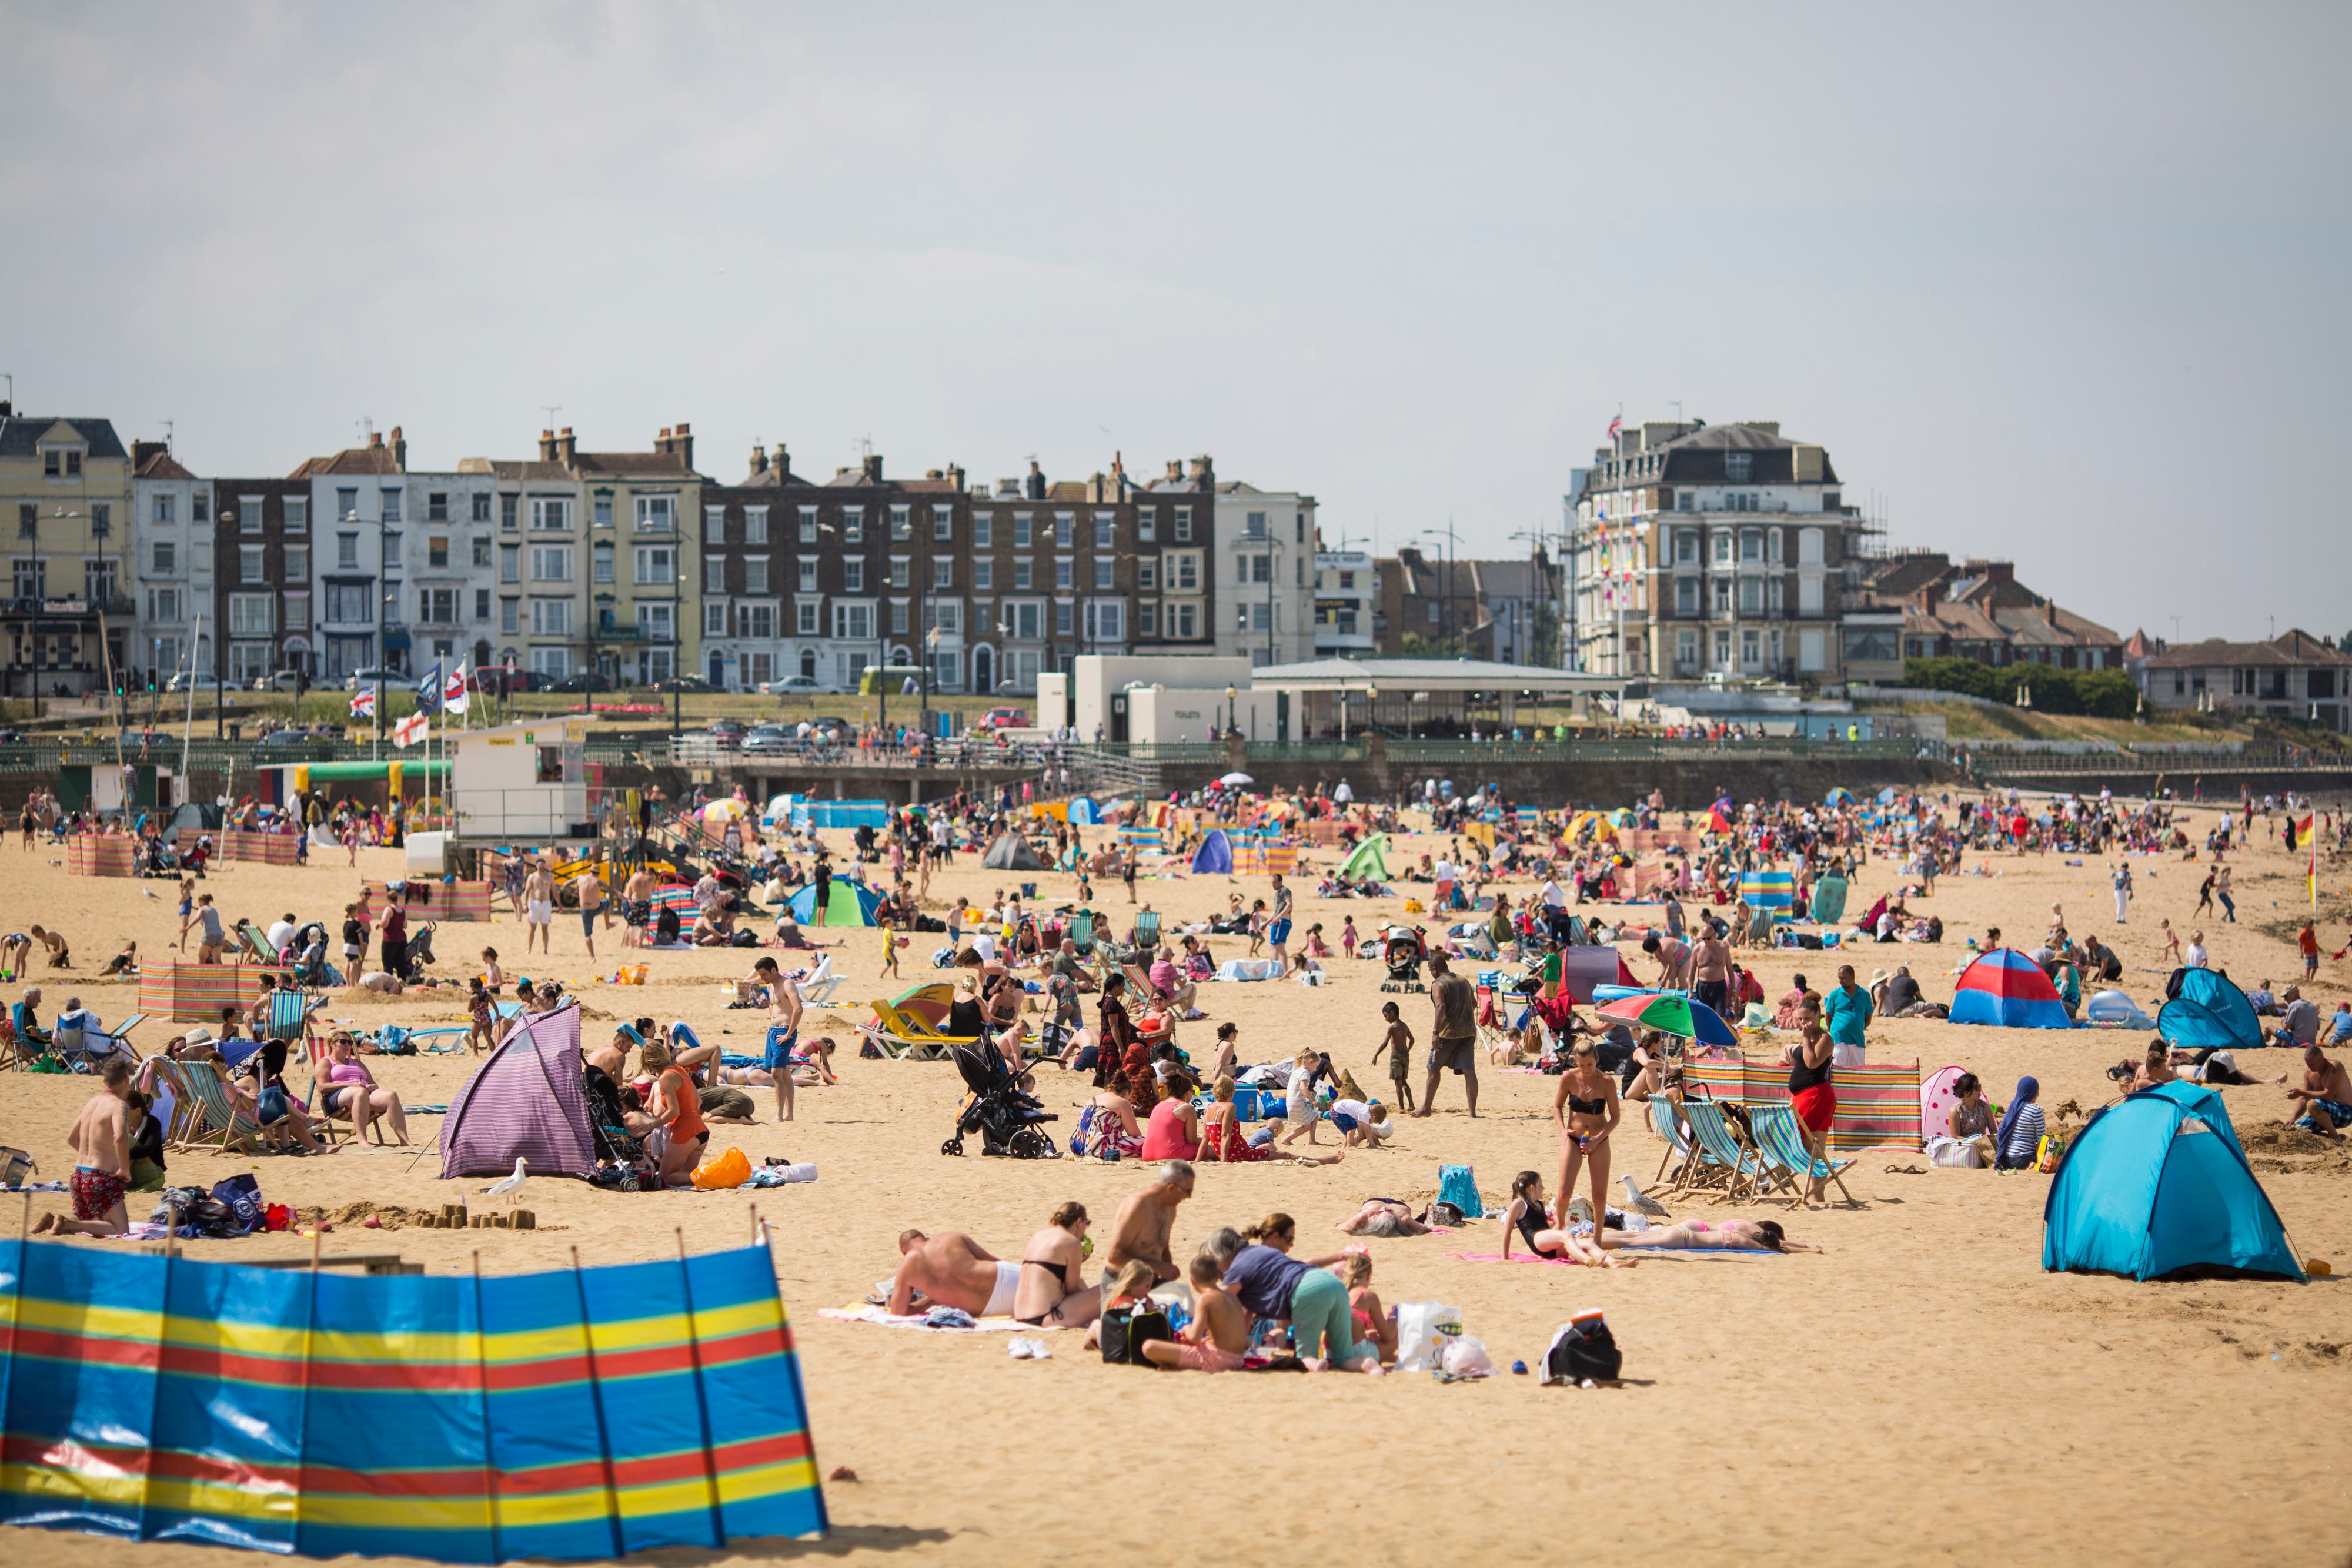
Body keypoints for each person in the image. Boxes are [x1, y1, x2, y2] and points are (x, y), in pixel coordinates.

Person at [1206, 1217, 1381, 1373]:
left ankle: (1314, 1365)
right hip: (1333, 1283)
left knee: (1306, 1356)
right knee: (1344, 1358)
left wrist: (1206, 1335)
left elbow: (1221, 1304)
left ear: (1220, 1255)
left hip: (1306, 1291)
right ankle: (1369, 1365)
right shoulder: (1264, 1252)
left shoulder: (1235, 1270)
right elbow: (1247, 1314)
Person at [34, 1058, 138, 1236]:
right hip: (100, 1178)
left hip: (78, 1175)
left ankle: (50, 1221)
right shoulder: (119, 1105)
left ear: (104, 1081)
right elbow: (120, 1137)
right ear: (127, 1080)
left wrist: (92, 1154)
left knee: (89, 1222)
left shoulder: (92, 1103)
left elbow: (71, 1138)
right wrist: (124, 1169)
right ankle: (67, 1225)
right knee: (121, 1230)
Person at [1135, 1251, 1252, 1372]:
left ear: (1193, 1281)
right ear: (1217, 1276)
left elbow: (1195, 1337)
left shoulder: (1205, 1299)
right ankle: (1174, 1366)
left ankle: (1175, 1367)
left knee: (1149, 1347)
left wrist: (1186, 1328)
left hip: (1216, 1360)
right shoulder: (1231, 1298)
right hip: (1238, 1360)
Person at [887, 1229, 1022, 1318]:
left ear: (903, 1252)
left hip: (991, 1309)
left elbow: (897, 1312)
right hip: (1007, 1278)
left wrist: (930, 1302)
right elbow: (992, 1261)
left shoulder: (907, 1266)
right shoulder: (950, 1236)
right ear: (927, 1239)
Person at [1010, 1201, 1103, 1328]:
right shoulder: (1072, 1242)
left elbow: (1049, 1272)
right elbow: (1072, 1291)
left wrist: (1078, 1263)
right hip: (1048, 1317)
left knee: (1080, 1281)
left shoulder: (1039, 1235)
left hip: (1021, 1316)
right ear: (1079, 1222)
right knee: (1110, 1287)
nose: (1086, 1229)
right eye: (1087, 1223)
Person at [1499, 1170, 1623, 1266]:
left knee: (1588, 1243)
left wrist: (1570, 1239)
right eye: (1540, 1185)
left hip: (1547, 1246)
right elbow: (1507, 1232)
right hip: (1536, 1240)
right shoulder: (1519, 1204)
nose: (1543, 1188)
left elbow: (1546, 1229)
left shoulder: (1540, 1204)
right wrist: (1505, 1259)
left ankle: (1612, 1263)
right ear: (1532, 1188)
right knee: (1567, 1235)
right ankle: (1587, 1260)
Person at [317, 1031, 413, 1147]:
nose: (347, 1045)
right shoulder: (326, 1062)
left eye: (350, 1042)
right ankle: (362, 1139)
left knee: (391, 1095)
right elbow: (322, 1087)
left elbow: (373, 1083)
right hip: (336, 1097)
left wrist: (371, 1087)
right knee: (360, 1092)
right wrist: (352, 1085)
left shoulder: (357, 1063)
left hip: (363, 1093)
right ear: (332, 1044)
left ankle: (405, 1140)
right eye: (343, 1042)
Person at [1104, 1161, 1194, 1284]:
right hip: (1122, 1282)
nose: (1189, 1197)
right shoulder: (1137, 1207)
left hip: (1150, 1282)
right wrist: (1158, 1267)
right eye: (1188, 1191)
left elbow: (1163, 1249)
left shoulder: (1170, 1208)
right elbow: (1115, 1256)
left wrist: (1168, 1277)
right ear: (1171, 1188)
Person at [1412, 955, 1479, 1119]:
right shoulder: (1463, 980)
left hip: (1448, 1033)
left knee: (1433, 1068)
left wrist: (1436, 1032)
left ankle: (1426, 1108)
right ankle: (1472, 1112)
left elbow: (1440, 1007)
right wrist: (1463, 1018)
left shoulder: (1438, 984)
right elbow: (1474, 1003)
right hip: (1468, 1031)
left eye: (1430, 971)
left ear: (1435, 969)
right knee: (1469, 1071)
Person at [639, 1037, 707, 1188]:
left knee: (665, 1178)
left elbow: (673, 1111)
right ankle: (714, 1176)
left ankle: (714, 1175)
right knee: (687, 1176)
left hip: (686, 1131)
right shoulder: (680, 1070)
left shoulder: (666, 1077)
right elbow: (699, 1101)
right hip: (701, 1130)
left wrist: (651, 1126)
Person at [1784, 1017, 1837, 1203]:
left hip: (1817, 1096)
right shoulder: (1808, 1037)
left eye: (1807, 1018)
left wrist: (1806, 1038)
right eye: (1800, 1018)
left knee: (1814, 1147)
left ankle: (1818, 1196)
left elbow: (1811, 1063)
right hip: (1802, 1097)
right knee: (1798, 1142)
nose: (1803, 1022)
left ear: (1817, 1017)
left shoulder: (1824, 1038)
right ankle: (1811, 1192)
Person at [1606, 1217, 1820, 1253]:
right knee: (1630, 1244)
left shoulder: (1738, 1231)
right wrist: (1806, 1249)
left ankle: (1594, 1239)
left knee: (1631, 1239)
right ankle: (1596, 1241)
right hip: (1683, 1238)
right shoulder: (1745, 1239)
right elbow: (1779, 1248)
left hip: (1684, 1231)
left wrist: (1808, 1246)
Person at [2284, 1045, 2352, 1138]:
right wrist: (2293, 1118)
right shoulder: (2309, 1072)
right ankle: (2334, 1137)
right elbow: (2304, 1099)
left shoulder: (2335, 1067)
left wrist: (2301, 1092)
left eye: (2312, 1064)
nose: (2309, 1067)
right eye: (2307, 1063)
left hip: (2345, 1112)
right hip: (2324, 1114)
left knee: (2312, 1104)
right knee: (2298, 1129)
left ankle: (2335, 1138)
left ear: (2321, 1060)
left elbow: (2328, 1095)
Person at [1369, 999, 1416, 1113]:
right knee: (1404, 1081)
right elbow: (1412, 1040)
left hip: (1396, 1056)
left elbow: (1385, 1043)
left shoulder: (1392, 1028)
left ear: (1392, 1013)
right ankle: (1411, 1104)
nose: (1386, 1019)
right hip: (1405, 1056)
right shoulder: (1404, 1026)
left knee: (1398, 1083)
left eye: (1386, 1016)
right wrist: (1407, 1051)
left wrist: (1376, 1054)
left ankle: (1401, 1107)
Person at [1822, 964, 1872, 1068]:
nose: (1841, 980)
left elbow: (1868, 1018)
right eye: (1839, 978)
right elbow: (1828, 1016)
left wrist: (1858, 1028)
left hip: (1857, 1039)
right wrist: (1834, 1030)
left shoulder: (1865, 995)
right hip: (1838, 1038)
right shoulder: (1834, 994)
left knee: (1857, 1070)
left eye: (1843, 978)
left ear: (1852, 977)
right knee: (1838, 1068)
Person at [1993, 1076, 2044, 1169]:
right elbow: (2041, 1139)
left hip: (2006, 1159)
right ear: (2034, 1093)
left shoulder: (2013, 1107)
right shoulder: (2036, 1111)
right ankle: (2031, 1164)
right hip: (2023, 1159)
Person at [1946, 1073, 1998, 1165]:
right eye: (1977, 1088)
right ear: (1966, 1093)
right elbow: (1955, 1136)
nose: (1980, 1091)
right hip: (1966, 1149)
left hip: (1984, 1147)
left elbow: (1994, 1130)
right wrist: (1975, 1143)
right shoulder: (1955, 1110)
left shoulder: (1984, 1106)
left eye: (1980, 1087)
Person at [1332, 1198, 1429, 1238]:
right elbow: (1424, 1229)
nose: (1384, 1208)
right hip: (1398, 1204)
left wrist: (1342, 1225)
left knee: (1361, 1215)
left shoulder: (1365, 1216)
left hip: (1374, 1201)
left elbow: (1343, 1227)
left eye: (1380, 1212)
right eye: (1389, 1211)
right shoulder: (1403, 1218)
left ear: (1375, 1217)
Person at [522, 858, 556, 955]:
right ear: (536, 866)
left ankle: (545, 950)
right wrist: (525, 904)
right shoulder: (532, 877)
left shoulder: (549, 877)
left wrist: (560, 905)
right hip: (535, 903)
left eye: (543, 866)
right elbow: (527, 890)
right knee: (532, 927)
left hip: (546, 903)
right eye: (540, 866)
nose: (542, 868)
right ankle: (529, 949)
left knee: (545, 928)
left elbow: (554, 891)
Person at [573, 867, 607, 959]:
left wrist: (574, 892)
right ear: (598, 873)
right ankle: (608, 923)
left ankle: (593, 957)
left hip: (585, 910)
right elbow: (612, 890)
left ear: (590, 871)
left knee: (587, 935)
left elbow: (565, 885)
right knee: (607, 903)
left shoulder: (581, 879)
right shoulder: (598, 882)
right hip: (596, 908)